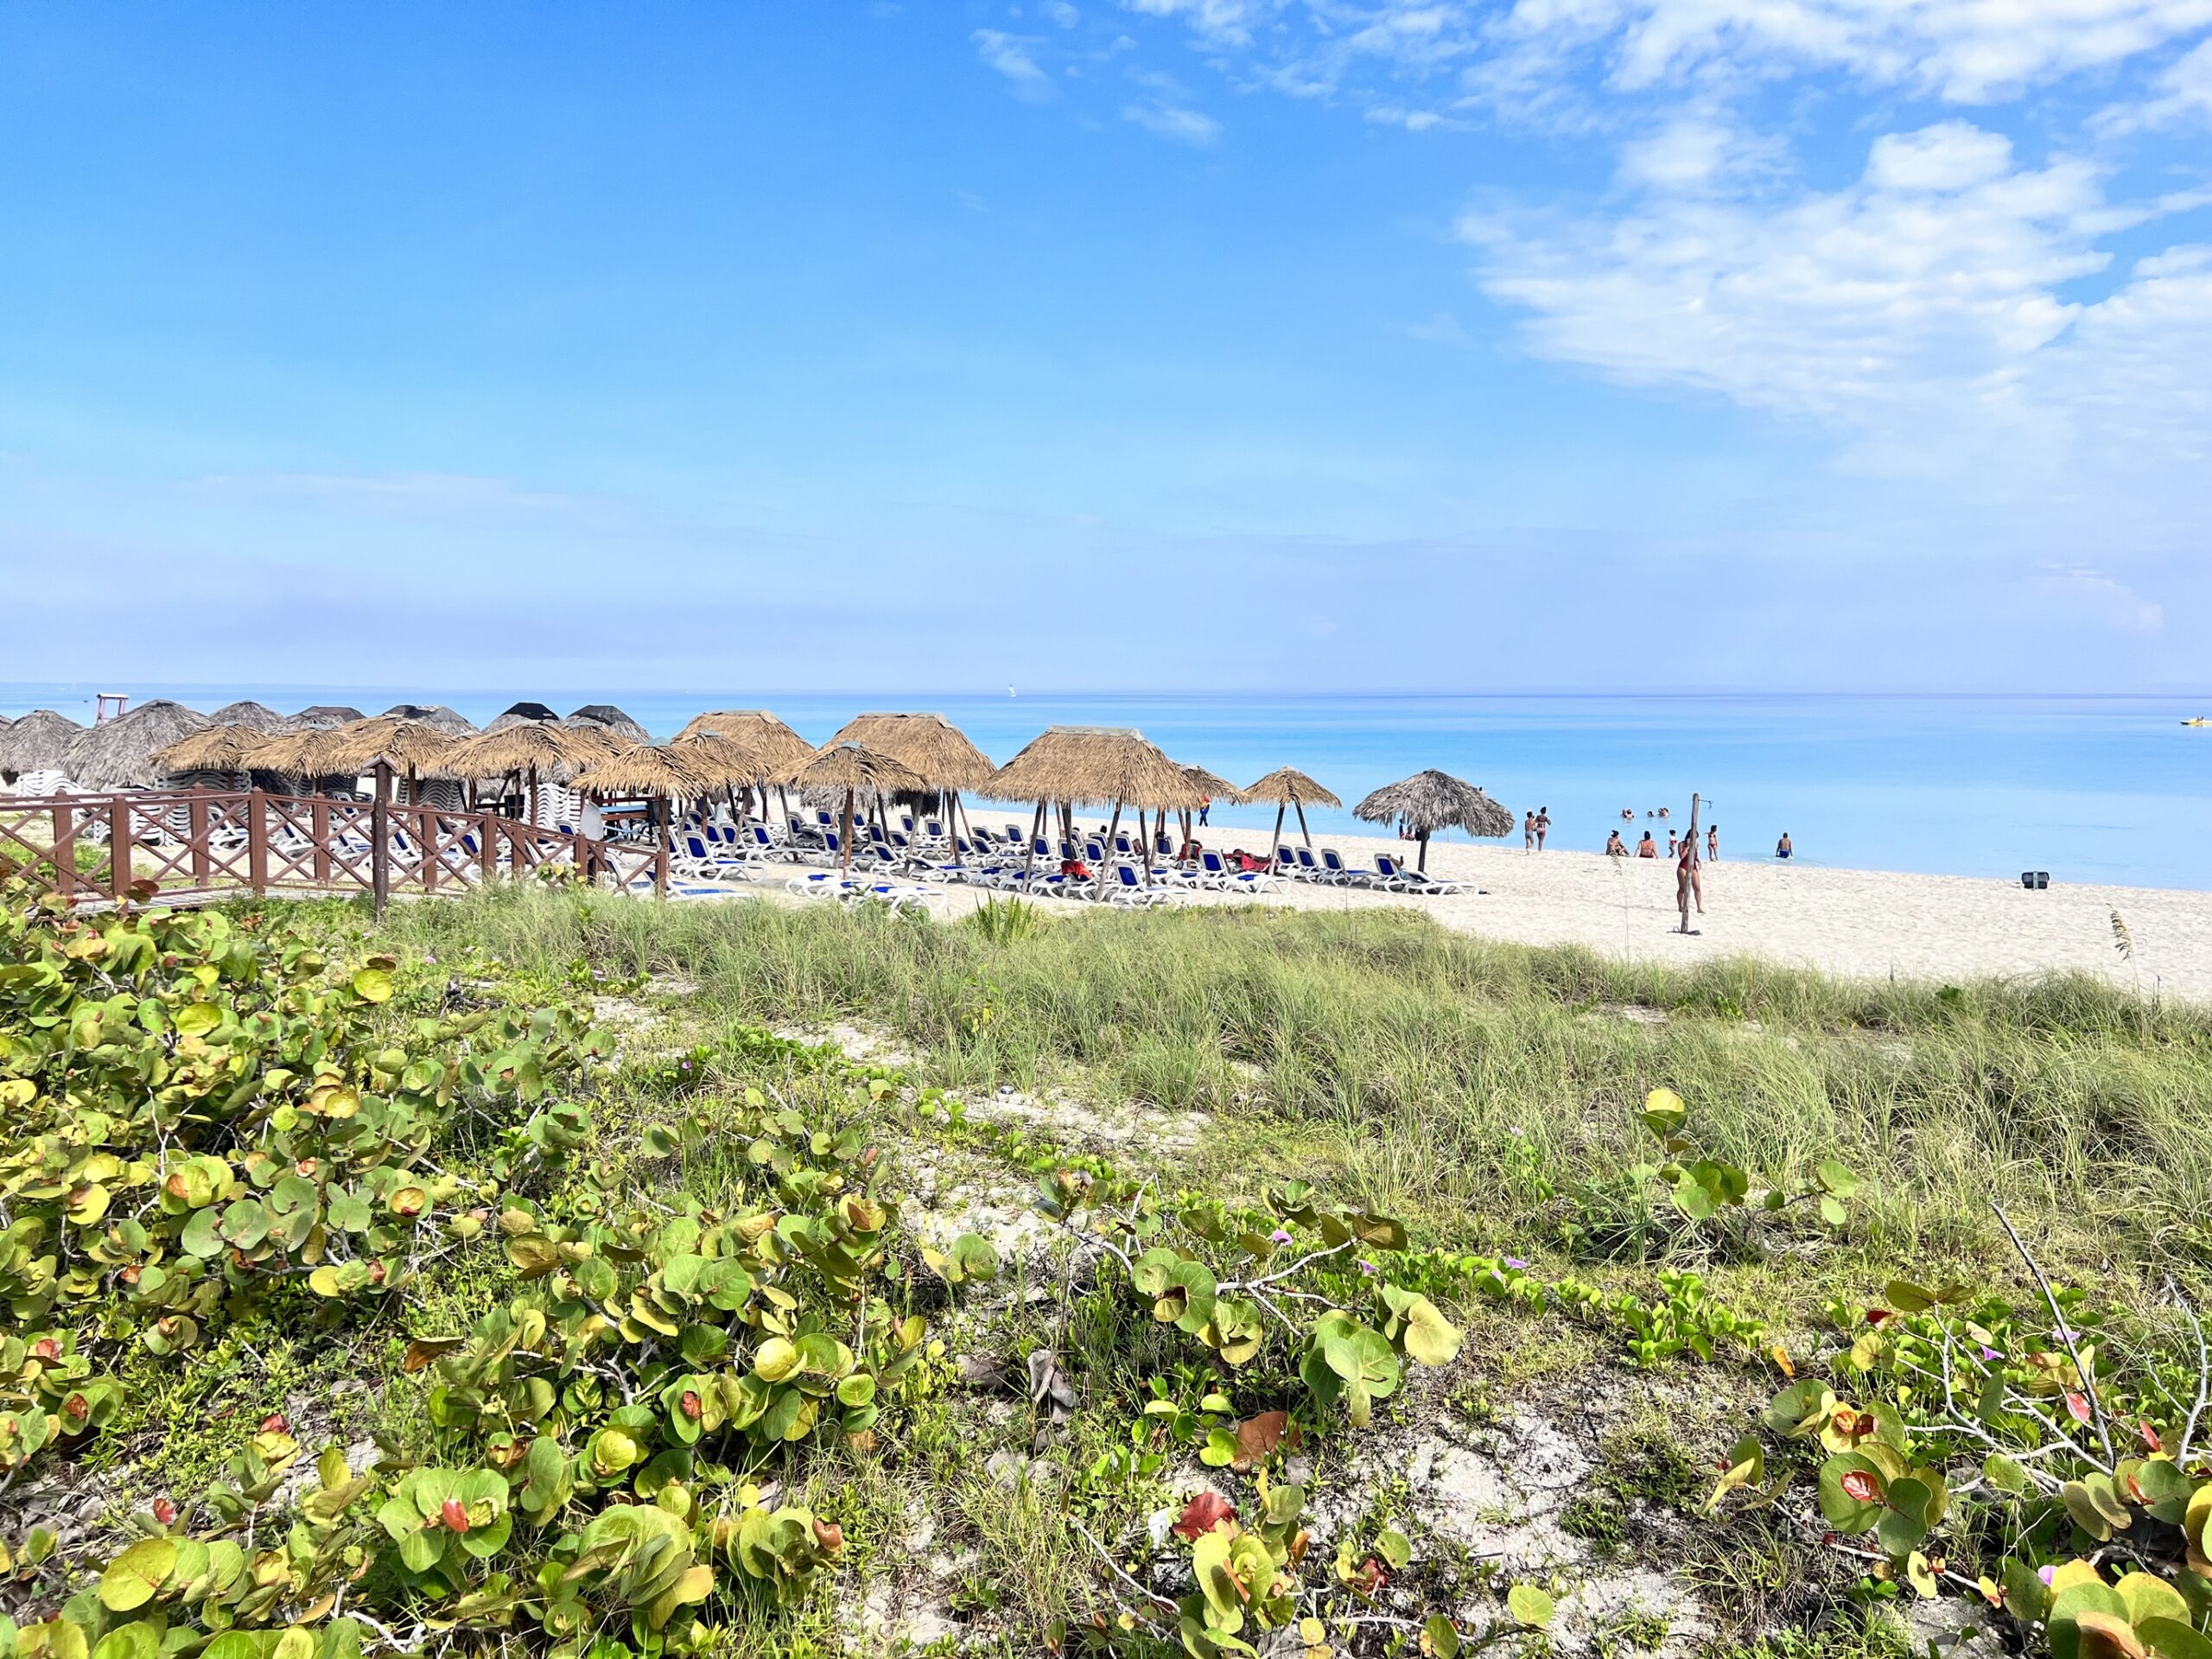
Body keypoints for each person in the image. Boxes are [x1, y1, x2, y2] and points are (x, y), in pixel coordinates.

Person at [1676, 833, 1704, 917]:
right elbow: (1682, 856)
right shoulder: (1681, 844)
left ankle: (1699, 907)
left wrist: (1698, 861)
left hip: (1693, 867)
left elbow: (1694, 855)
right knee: (1683, 888)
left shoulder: (1696, 844)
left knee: (1697, 888)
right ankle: (1680, 906)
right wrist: (1687, 847)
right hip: (1683, 867)